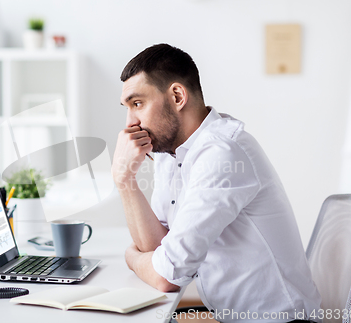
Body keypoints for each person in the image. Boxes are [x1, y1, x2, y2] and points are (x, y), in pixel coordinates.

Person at [112, 43, 321, 322]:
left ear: (177, 96)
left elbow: (166, 275)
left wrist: (131, 257)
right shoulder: (171, 152)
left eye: (137, 104)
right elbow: (157, 247)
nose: (130, 123)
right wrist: (125, 179)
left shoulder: (222, 153)